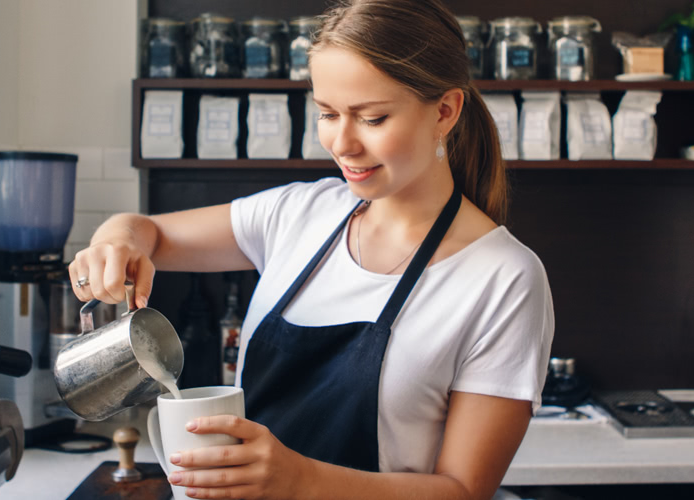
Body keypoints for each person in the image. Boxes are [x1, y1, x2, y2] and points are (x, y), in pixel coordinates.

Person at [67, 0, 554, 497]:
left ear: (445, 111)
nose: (342, 143)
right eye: (327, 113)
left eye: (372, 118)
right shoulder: (300, 213)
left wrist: (299, 480)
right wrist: (115, 242)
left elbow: (464, 490)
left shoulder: (503, 277)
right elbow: (147, 231)